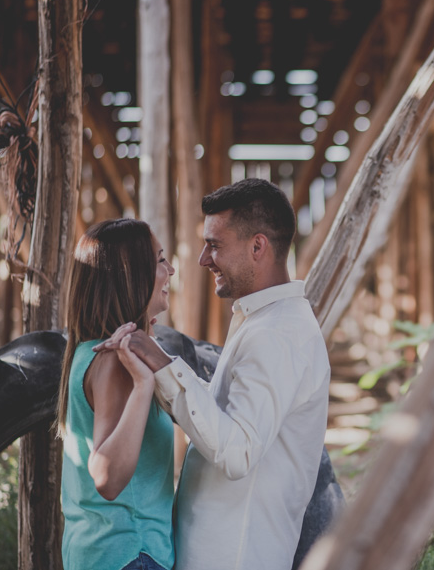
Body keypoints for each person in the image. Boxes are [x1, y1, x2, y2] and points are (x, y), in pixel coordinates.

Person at [97, 178, 331, 570]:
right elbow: (228, 417)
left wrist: (164, 366)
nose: (203, 259)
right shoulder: (264, 322)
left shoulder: (277, 334)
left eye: (215, 245)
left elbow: (237, 452)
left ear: (257, 247)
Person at [57, 218, 177, 570]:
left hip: (99, 553)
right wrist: (143, 385)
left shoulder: (86, 353)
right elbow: (107, 479)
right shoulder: (117, 363)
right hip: (131, 553)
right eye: (160, 260)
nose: (170, 270)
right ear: (131, 276)